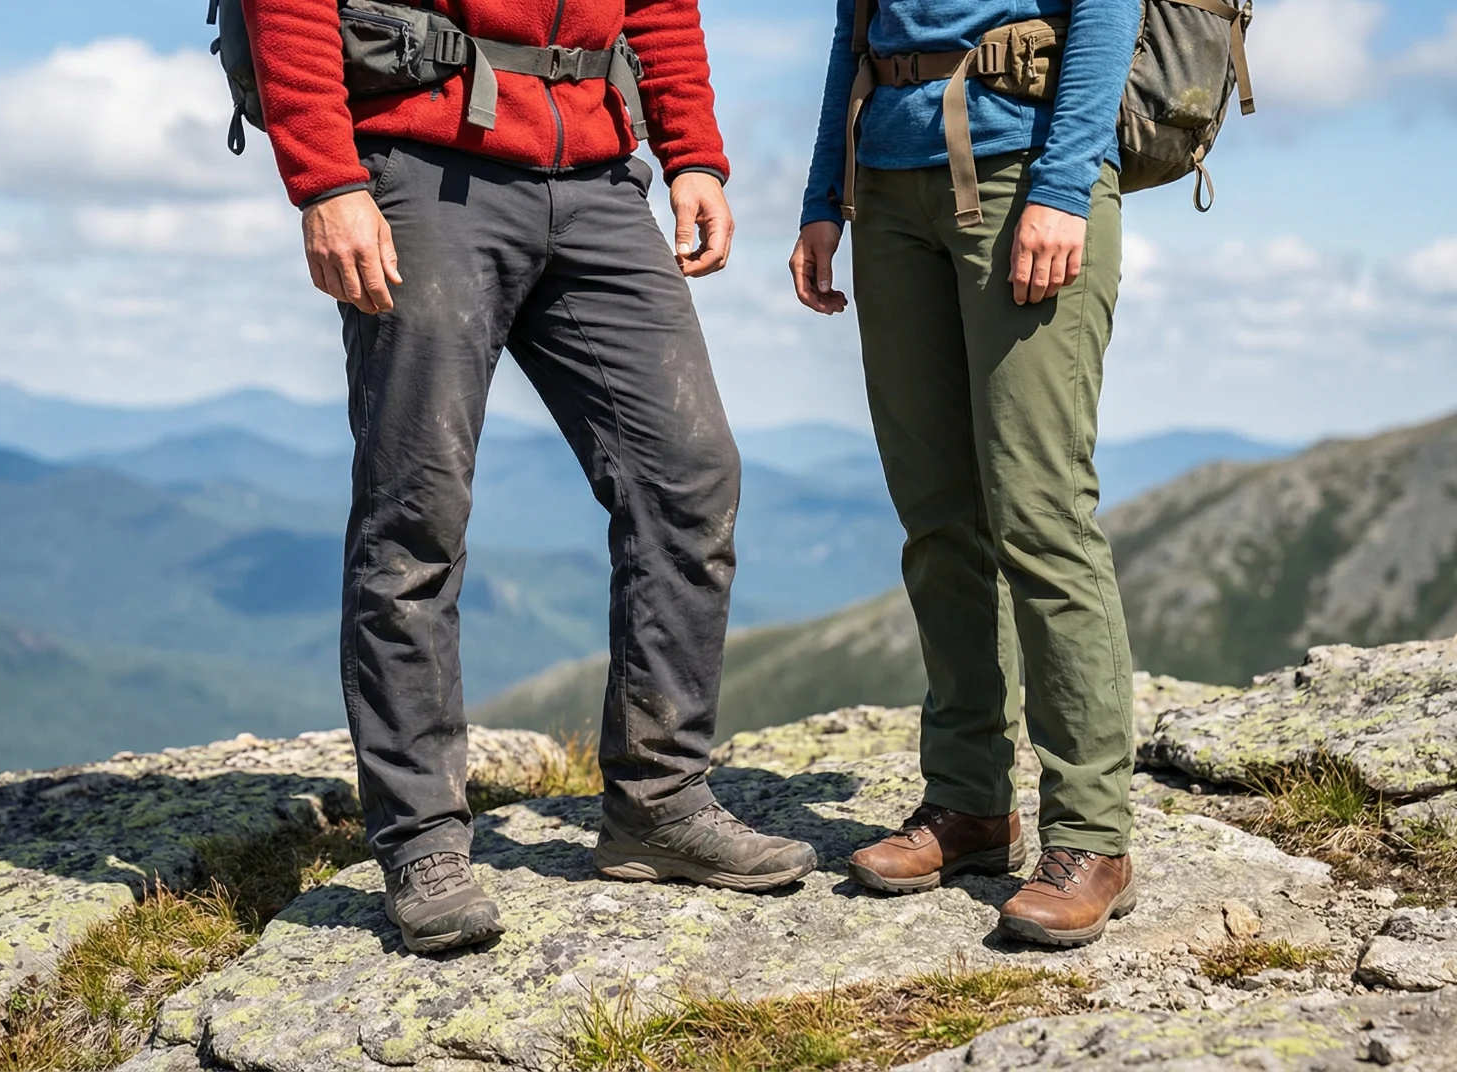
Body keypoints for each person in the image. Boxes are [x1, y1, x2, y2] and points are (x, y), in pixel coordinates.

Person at [245, 0, 819, 955]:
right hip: (425, 170)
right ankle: (423, 839)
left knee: (688, 478)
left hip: (596, 176)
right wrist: (325, 180)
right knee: (415, 510)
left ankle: (660, 803)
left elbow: (661, 7)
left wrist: (696, 155)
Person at [789, 0, 1141, 947]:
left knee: (1039, 513)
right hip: (890, 190)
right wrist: (826, 198)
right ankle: (969, 805)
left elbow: (1109, 10)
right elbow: (851, 32)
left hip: (1023, 168)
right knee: (937, 517)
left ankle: (1092, 837)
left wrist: (1065, 186)